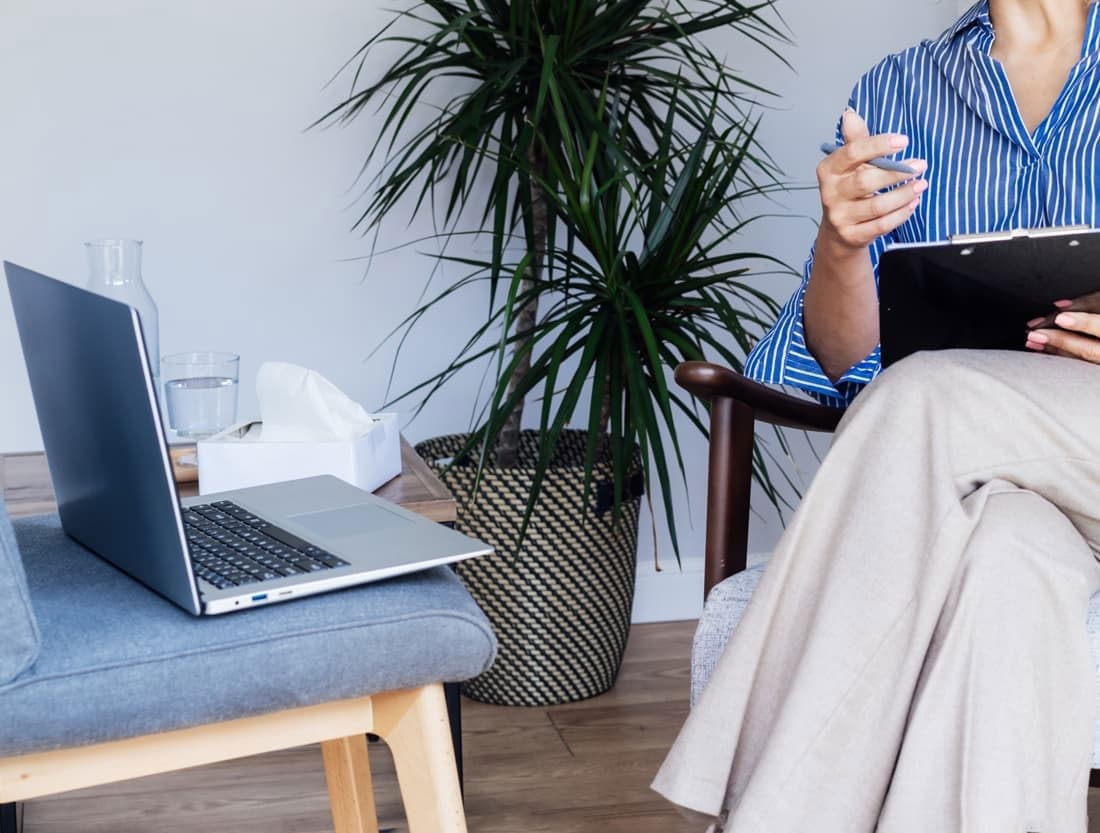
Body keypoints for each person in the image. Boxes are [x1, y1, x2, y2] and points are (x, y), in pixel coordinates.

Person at [652, 0, 1100, 830]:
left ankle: (761, 810)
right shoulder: (901, 90)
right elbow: (834, 357)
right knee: (1005, 562)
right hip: (988, 479)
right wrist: (839, 246)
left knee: (923, 390)